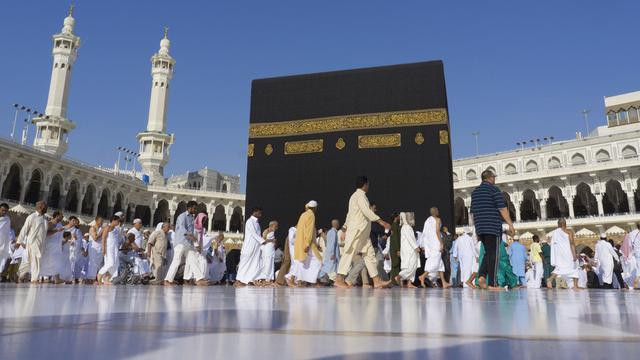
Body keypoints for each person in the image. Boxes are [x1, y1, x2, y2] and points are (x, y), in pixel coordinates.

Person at [334, 176, 391, 289]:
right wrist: (382, 222)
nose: (368, 187)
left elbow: (349, 215)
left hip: (363, 233)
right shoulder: (360, 196)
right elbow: (366, 211)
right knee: (349, 252)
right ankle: (339, 279)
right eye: (368, 184)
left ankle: (376, 280)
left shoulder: (354, 197)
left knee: (369, 254)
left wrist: (345, 227)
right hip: (357, 231)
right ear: (365, 185)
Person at [470, 169, 515, 289]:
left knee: (488, 253)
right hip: (492, 226)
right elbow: (502, 208)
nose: (494, 179)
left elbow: (473, 213)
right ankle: (493, 284)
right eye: (494, 177)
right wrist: (510, 224)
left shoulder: (475, 192)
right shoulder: (494, 190)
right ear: (490, 178)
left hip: (480, 227)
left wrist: (477, 230)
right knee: (494, 255)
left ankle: (482, 276)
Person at [165, 201, 207, 286]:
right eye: (194, 208)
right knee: (176, 261)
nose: (195, 210)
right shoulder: (182, 216)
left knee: (193, 260)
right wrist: (190, 235)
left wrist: (195, 242)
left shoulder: (191, 218)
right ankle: (167, 280)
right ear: (189, 208)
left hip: (189, 244)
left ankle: (199, 279)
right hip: (181, 242)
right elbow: (181, 228)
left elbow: (192, 231)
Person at [291, 201, 322, 286]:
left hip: (301, 242)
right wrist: (308, 244)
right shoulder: (311, 215)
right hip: (307, 243)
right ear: (315, 208)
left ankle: (302, 280)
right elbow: (309, 231)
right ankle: (312, 280)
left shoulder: (303, 214)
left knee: (303, 262)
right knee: (318, 261)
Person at [418, 207, 450, 288]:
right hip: (436, 243)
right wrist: (441, 243)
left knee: (440, 263)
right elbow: (437, 231)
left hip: (430, 244)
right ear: (436, 212)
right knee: (435, 261)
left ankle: (444, 283)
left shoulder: (427, 220)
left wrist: (424, 246)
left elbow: (424, 233)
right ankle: (423, 276)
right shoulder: (437, 220)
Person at [235, 207, 266, 286]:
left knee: (254, 263)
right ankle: (238, 280)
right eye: (259, 213)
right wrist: (263, 241)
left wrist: (261, 244)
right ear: (254, 212)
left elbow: (258, 235)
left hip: (256, 247)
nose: (260, 215)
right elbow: (253, 233)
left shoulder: (257, 223)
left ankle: (251, 279)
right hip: (249, 246)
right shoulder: (249, 221)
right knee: (244, 263)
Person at [547, 218, 578, 289]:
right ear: (565, 224)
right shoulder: (568, 231)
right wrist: (574, 254)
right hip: (568, 253)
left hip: (559, 254)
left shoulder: (555, 232)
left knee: (560, 268)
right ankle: (575, 285)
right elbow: (572, 243)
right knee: (574, 268)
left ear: (558, 225)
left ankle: (550, 279)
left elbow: (553, 244)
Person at [394, 212, 420, 288]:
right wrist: (416, 247)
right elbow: (410, 239)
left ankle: (409, 283)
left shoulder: (405, 227)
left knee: (412, 266)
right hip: (410, 250)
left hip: (408, 250)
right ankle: (398, 277)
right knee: (411, 266)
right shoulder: (407, 227)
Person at [39, 210, 66, 284]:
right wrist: (57, 230)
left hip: (56, 246)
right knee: (47, 261)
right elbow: (47, 233)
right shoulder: (51, 223)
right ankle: (45, 277)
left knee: (56, 262)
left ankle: (57, 279)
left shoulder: (60, 224)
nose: (63, 217)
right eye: (61, 215)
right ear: (57, 216)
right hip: (49, 246)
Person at [97, 215, 122, 285]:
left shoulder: (116, 229)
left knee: (116, 264)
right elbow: (103, 238)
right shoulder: (107, 227)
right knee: (110, 263)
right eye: (118, 221)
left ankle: (107, 279)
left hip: (115, 248)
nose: (118, 222)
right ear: (113, 220)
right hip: (109, 248)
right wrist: (103, 249)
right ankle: (100, 274)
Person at [318, 219, 341, 283]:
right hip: (332, 254)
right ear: (337, 224)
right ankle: (319, 277)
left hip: (333, 254)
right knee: (328, 267)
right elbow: (331, 244)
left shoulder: (331, 232)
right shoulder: (333, 232)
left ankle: (336, 280)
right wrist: (332, 254)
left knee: (332, 267)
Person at [258, 220, 279, 285]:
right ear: (272, 226)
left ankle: (270, 279)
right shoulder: (266, 231)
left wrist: (274, 242)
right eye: (276, 226)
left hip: (271, 250)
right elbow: (263, 240)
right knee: (267, 264)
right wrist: (271, 240)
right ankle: (265, 278)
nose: (277, 228)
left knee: (271, 264)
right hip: (266, 250)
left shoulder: (273, 232)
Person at [86, 216, 105, 283]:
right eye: (100, 221)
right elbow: (95, 238)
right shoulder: (92, 228)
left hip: (100, 248)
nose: (102, 222)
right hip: (94, 248)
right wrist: (101, 232)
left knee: (99, 264)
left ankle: (97, 278)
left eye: (102, 221)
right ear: (96, 221)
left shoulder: (101, 228)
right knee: (93, 263)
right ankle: (91, 278)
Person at [69, 217, 87, 283]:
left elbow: (80, 242)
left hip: (78, 250)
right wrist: (73, 238)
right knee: (72, 264)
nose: (77, 224)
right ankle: (71, 277)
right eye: (76, 222)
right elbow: (72, 239)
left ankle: (76, 277)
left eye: (78, 222)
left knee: (78, 264)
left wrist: (83, 250)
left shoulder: (79, 230)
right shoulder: (72, 229)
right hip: (73, 249)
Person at [388, 214, 401, 285]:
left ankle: (395, 281)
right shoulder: (394, 226)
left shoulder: (396, 225)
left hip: (395, 248)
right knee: (395, 264)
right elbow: (395, 239)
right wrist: (397, 249)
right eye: (398, 216)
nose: (400, 218)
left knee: (396, 264)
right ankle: (393, 281)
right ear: (396, 217)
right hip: (394, 248)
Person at [0, 203, 12, 274]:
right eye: (3, 210)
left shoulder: (7, 220)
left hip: (2, 244)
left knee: (1, 260)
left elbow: (7, 233)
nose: (4, 212)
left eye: (6, 211)